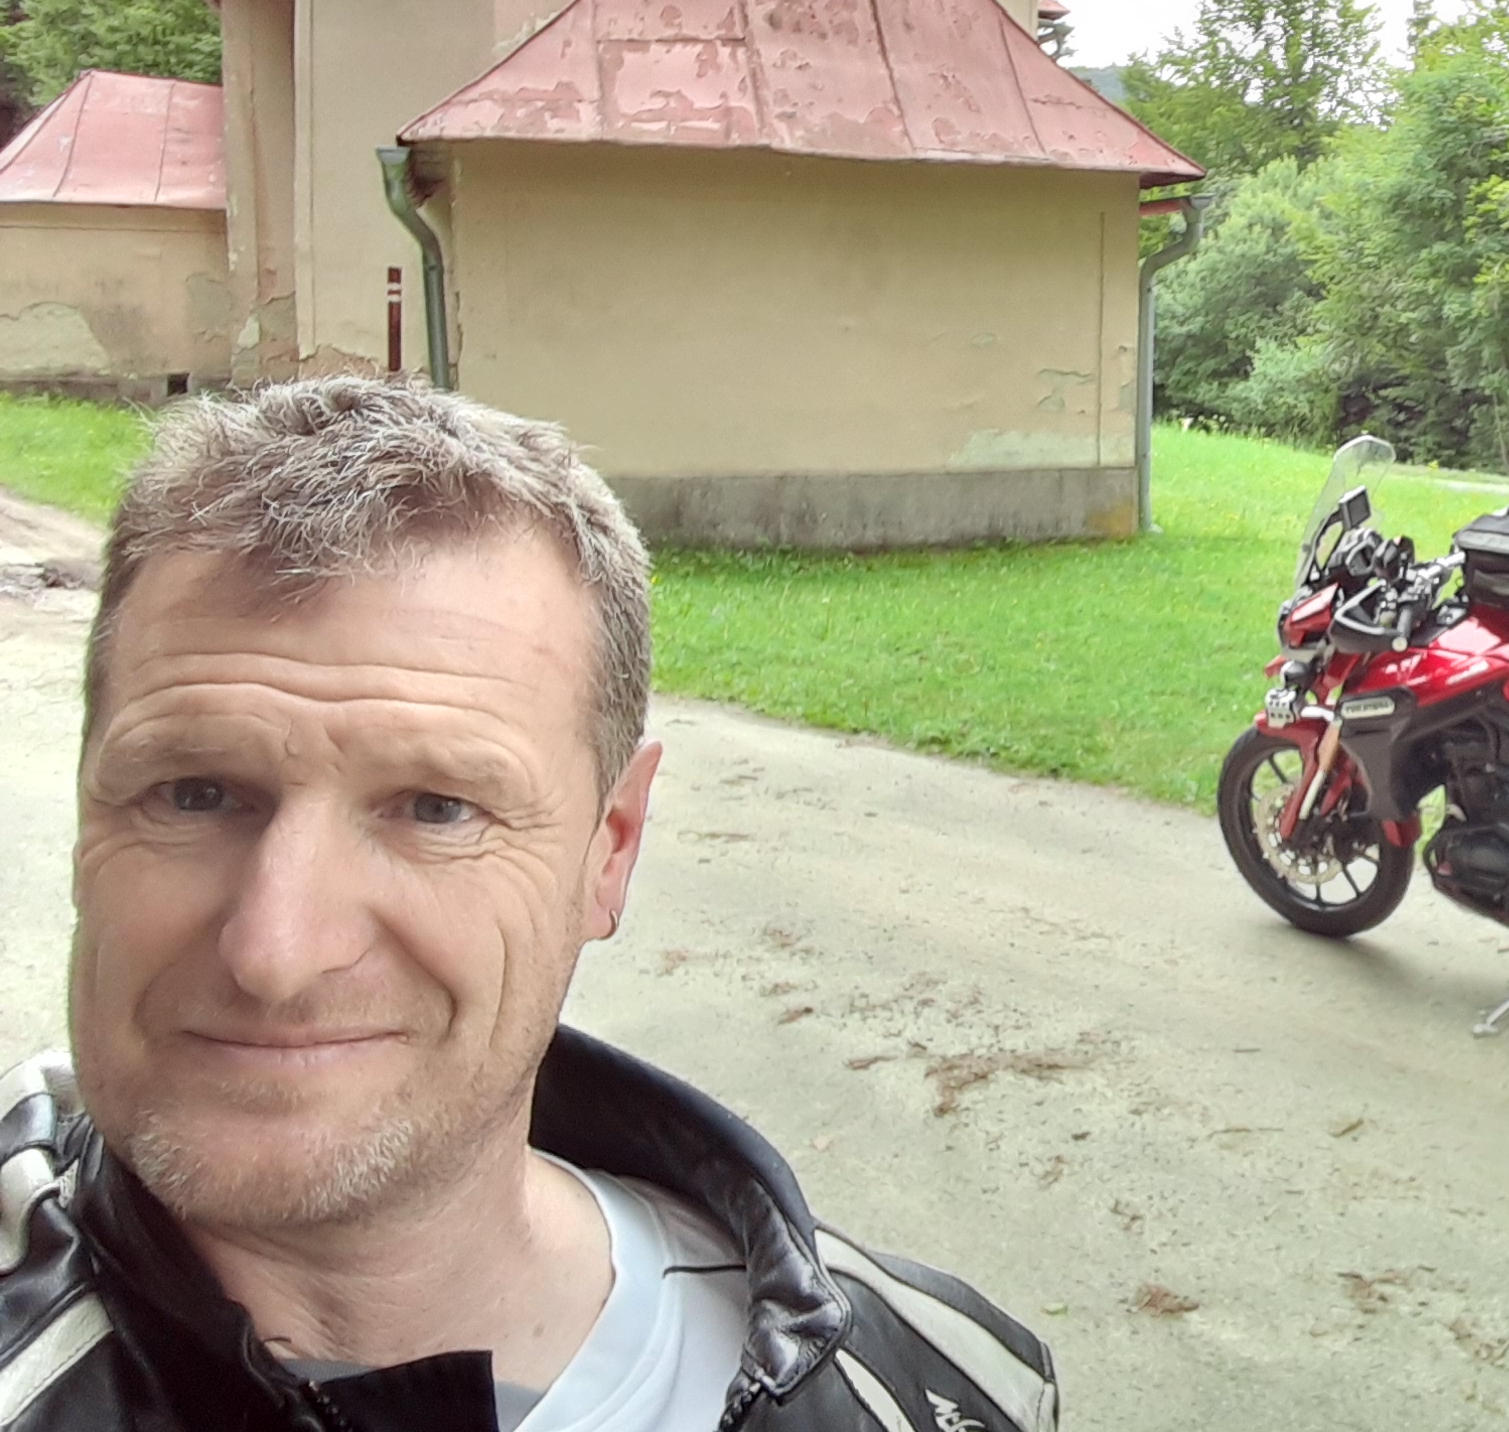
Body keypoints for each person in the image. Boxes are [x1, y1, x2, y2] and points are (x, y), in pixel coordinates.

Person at [0, 378, 1057, 1431]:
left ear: (611, 848)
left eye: (436, 809)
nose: (275, 952)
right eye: (192, 794)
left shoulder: (947, 1389)